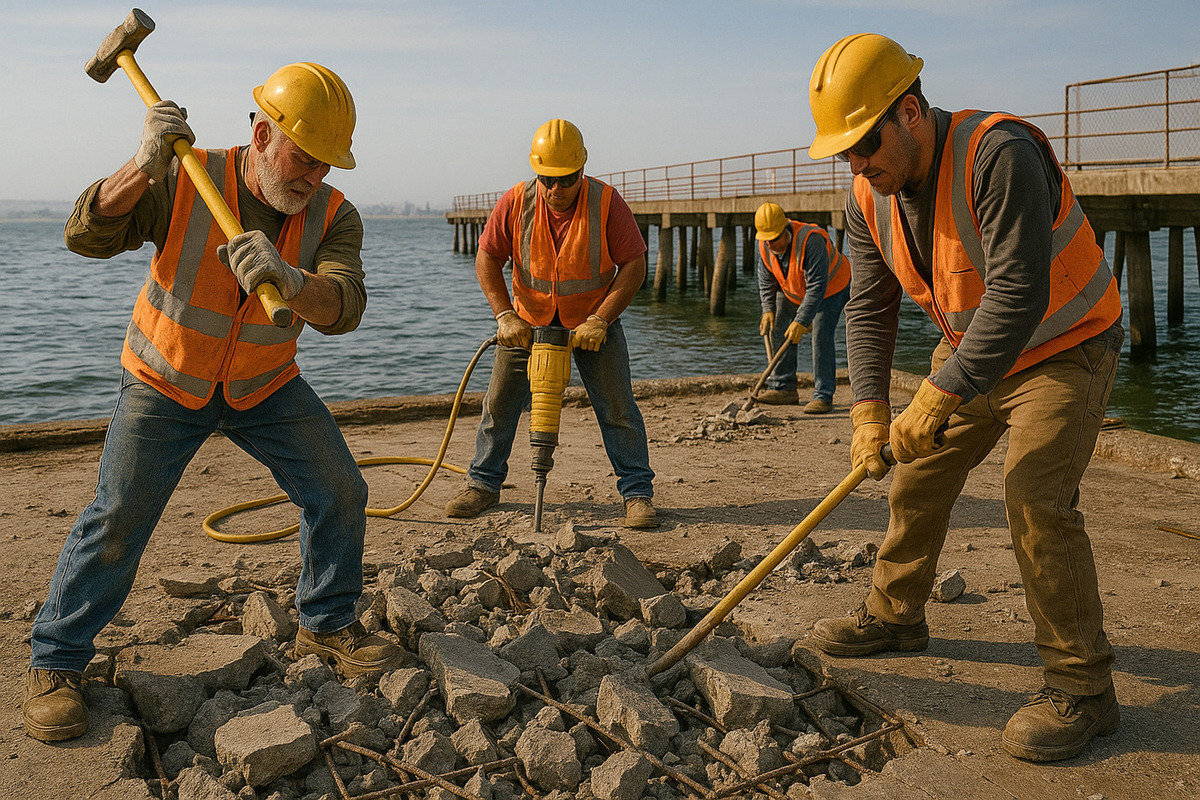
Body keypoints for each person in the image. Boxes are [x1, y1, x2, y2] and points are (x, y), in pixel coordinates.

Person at [24, 63, 401, 743]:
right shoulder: (184, 174)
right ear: (260, 134)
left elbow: (345, 307)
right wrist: (139, 168)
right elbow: (86, 234)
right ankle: (56, 660)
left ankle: (326, 625)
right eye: (301, 158)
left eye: (325, 165)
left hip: (264, 384)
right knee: (117, 518)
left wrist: (291, 278)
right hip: (165, 377)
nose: (312, 176)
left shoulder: (335, 214)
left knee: (340, 490)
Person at [805, 34, 1124, 762]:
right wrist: (869, 412)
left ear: (910, 112)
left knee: (1034, 494)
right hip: (975, 345)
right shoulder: (868, 193)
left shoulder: (997, 154)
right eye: (846, 152)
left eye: (866, 143)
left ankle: (1084, 688)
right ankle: (895, 616)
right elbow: (869, 307)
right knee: (916, 476)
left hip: (1065, 343)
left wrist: (938, 396)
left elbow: (1018, 292)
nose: (858, 163)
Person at [445, 119, 659, 529]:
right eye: (548, 180)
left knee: (618, 408)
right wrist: (504, 314)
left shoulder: (607, 202)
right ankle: (483, 483)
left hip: (594, 323)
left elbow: (634, 264)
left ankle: (637, 493)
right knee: (500, 404)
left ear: (582, 169)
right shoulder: (515, 201)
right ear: (536, 173)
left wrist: (601, 318)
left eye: (566, 180)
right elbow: (487, 258)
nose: (556, 190)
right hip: (526, 321)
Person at [752, 202, 851, 412]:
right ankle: (783, 388)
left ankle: (823, 396)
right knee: (778, 328)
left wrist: (801, 321)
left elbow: (817, 287)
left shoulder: (811, 240)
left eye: (776, 238)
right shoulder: (764, 244)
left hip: (832, 288)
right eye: (767, 240)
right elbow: (766, 279)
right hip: (794, 290)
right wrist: (767, 309)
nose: (772, 244)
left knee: (821, 337)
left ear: (785, 229)